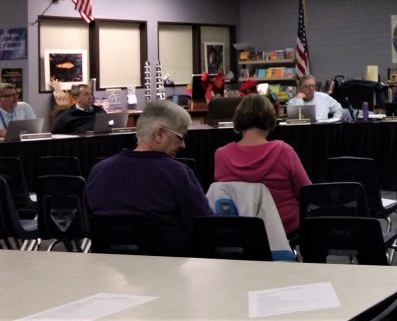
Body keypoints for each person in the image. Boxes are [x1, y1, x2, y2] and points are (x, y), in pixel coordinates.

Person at [85, 100, 212, 256]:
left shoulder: (98, 171)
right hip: (169, 264)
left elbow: (90, 223)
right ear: (159, 134)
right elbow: (205, 226)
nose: (183, 145)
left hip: (109, 263)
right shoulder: (178, 173)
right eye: (181, 137)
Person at [213, 94, 311, 236]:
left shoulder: (221, 155)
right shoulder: (283, 151)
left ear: (238, 119)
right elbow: (306, 193)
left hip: (241, 233)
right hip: (286, 230)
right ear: (270, 119)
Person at [286, 74, 352, 122]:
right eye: (307, 86)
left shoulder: (324, 97)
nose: (311, 89)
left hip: (322, 130)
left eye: (313, 86)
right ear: (300, 88)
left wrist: (332, 121)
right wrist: (299, 99)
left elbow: (339, 109)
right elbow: (297, 121)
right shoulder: (292, 102)